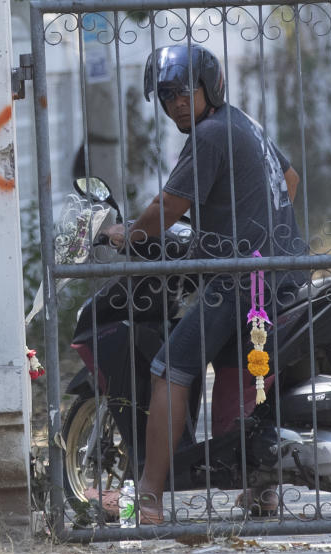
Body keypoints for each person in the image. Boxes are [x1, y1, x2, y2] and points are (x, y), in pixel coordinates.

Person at [103, 44, 307, 524]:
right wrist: (241, 218)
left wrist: (125, 232)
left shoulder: (210, 135)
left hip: (240, 281)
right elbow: (291, 180)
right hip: (281, 270)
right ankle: (261, 490)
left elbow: (168, 208)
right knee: (245, 371)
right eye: (166, 94)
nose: (175, 102)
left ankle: (149, 498)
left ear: (208, 87)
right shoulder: (242, 123)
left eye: (183, 91)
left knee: (168, 367)